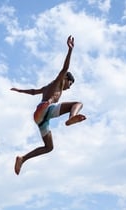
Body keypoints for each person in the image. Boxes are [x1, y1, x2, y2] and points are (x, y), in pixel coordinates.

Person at [10, 35, 86, 175]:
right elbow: (65, 68)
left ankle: (22, 158)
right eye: (70, 83)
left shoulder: (47, 87)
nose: (69, 87)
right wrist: (70, 50)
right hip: (46, 108)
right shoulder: (59, 81)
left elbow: (33, 92)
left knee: (49, 147)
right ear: (66, 79)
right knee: (77, 103)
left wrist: (20, 90)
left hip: (41, 119)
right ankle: (71, 117)